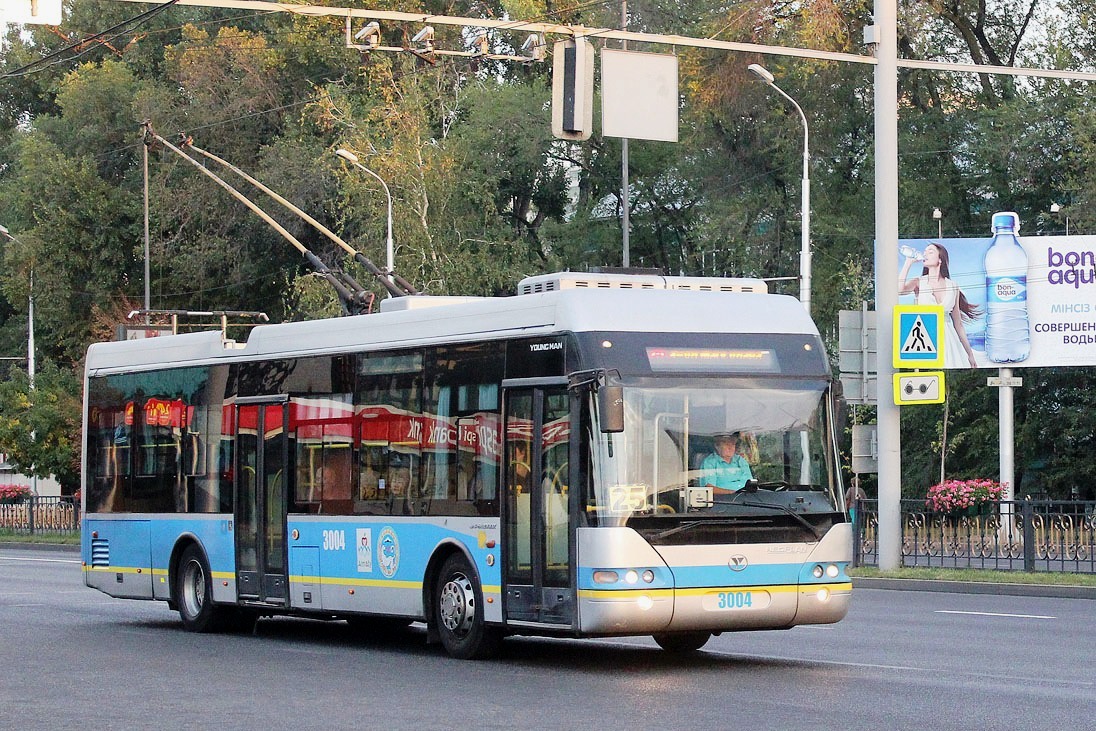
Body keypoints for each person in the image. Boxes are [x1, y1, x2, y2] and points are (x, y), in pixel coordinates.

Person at [899, 242, 980, 368]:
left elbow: (958, 324)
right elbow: (900, 290)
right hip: (926, 335)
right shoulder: (919, 282)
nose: (925, 254)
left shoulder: (953, 285)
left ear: (940, 259)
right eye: (925, 252)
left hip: (948, 337)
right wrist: (908, 263)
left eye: (930, 252)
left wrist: (970, 354)